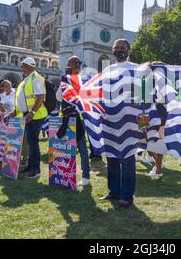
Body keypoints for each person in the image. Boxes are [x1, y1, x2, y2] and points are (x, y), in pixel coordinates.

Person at [99, 39, 138, 209]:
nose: (120, 50)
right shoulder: (107, 69)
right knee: (112, 158)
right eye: (117, 48)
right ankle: (113, 191)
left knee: (127, 159)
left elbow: (142, 90)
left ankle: (127, 195)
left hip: (128, 121)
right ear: (112, 50)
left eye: (123, 48)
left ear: (129, 50)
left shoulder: (136, 68)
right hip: (109, 120)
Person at [7, 57, 47, 179]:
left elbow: (40, 97)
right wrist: (14, 112)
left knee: (33, 142)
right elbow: (22, 99)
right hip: (28, 115)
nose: (21, 67)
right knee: (30, 142)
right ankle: (30, 166)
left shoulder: (36, 78)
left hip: (36, 115)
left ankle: (36, 169)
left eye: (23, 65)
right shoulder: (26, 80)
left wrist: (32, 112)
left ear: (30, 66)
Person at [56, 56, 91, 186]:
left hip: (79, 119)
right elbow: (58, 97)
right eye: (74, 62)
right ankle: (65, 174)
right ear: (68, 64)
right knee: (66, 147)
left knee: (82, 148)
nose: (77, 64)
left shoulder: (83, 80)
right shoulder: (65, 79)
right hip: (66, 118)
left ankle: (86, 177)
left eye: (79, 63)